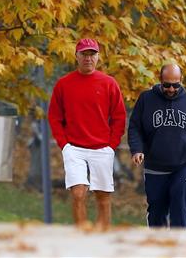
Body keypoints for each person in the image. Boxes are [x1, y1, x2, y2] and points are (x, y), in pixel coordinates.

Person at [48, 38, 126, 230]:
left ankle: (102, 235)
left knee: (103, 195)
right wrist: (64, 145)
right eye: (84, 54)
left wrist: (111, 144)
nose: (88, 58)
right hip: (74, 148)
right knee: (78, 193)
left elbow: (119, 117)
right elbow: (55, 117)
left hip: (102, 148)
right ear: (76, 56)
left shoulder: (109, 83)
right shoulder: (63, 84)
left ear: (98, 57)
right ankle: (81, 235)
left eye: (92, 54)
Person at [127, 62, 186, 229]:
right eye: (167, 85)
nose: (171, 89)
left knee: (181, 210)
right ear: (160, 80)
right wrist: (137, 149)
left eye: (175, 85)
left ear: (181, 81)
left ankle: (181, 250)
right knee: (156, 211)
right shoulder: (146, 99)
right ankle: (158, 248)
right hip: (155, 166)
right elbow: (135, 127)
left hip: (183, 165)